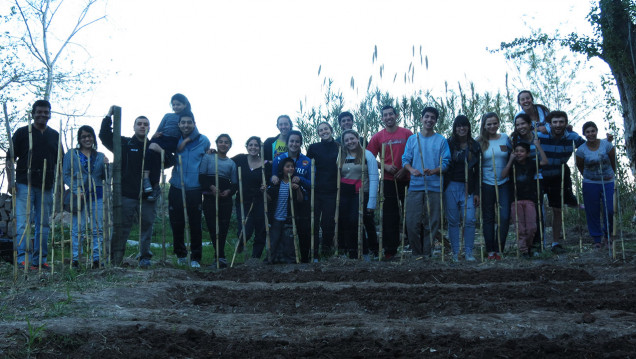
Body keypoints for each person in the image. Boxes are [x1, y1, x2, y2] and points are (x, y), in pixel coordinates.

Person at [100, 108, 173, 267]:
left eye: (145, 124)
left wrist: (160, 151)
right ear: (133, 127)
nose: (142, 126)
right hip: (127, 193)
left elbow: (169, 161)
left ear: (149, 128)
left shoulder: (154, 146)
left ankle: (144, 257)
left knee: (147, 225)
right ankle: (115, 258)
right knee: (122, 227)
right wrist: (108, 115)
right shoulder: (125, 144)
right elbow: (104, 136)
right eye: (139, 124)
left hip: (149, 195)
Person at [10, 100, 62, 269]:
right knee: (23, 222)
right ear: (33, 114)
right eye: (39, 112)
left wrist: (59, 187)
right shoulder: (22, 133)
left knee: (43, 224)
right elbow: (10, 159)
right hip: (24, 183)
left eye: (46, 112)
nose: (42, 115)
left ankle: (40, 259)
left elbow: (60, 163)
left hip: (46, 186)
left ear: (50, 114)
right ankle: (22, 260)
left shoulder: (54, 136)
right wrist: (11, 182)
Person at [402, 107, 450, 258]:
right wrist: (411, 170)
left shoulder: (441, 140)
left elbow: (446, 163)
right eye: (426, 117)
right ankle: (416, 253)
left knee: (433, 222)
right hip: (415, 186)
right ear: (421, 118)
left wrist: (435, 170)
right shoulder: (413, 139)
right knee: (412, 221)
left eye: (433, 118)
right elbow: (405, 160)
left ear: (436, 121)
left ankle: (427, 253)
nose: (429, 120)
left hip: (434, 187)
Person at [367, 105, 413, 259]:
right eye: (385, 115)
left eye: (390, 114)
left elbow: (414, 154)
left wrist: (405, 170)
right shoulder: (378, 137)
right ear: (382, 118)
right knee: (389, 216)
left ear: (396, 115)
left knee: (411, 213)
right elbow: (369, 158)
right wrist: (385, 166)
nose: (388, 117)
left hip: (407, 179)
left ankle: (414, 246)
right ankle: (390, 250)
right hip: (388, 180)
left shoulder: (407, 134)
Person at [537, 111, 586, 253]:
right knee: (537, 210)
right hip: (539, 175)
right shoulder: (540, 136)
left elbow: (586, 147)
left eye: (561, 122)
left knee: (557, 209)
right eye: (555, 122)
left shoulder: (573, 137)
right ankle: (537, 244)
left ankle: (555, 243)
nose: (558, 125)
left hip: (558, 175)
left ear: (566, 123)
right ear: (549, 123)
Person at [168, 112, 210, 268]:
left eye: (189, 122)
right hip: (176, 186)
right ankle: (180, 254)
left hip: (195, 188)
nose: (186, 125)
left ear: (194, 123)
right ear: (178, 124)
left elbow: (206, 156)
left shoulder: (203, 140)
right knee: (176, 221)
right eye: (183, 122)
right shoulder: (174, 140)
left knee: (195, 222)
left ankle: (195, 257)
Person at [63, 125, 107, 268]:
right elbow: (66, 174)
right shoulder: (72, 154)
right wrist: (76, 190)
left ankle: (96, 258)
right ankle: (76, 258)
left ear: (93, 137)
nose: (87, 139)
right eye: (83, 137)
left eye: (89, 136)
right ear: (79, 139)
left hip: (97, 194)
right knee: (78, 227)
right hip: (78, 196)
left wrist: (107, 166)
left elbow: (105, 177)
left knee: (97, 227)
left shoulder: (100, 156)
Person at [145, 94, 198, 200]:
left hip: (172, 141)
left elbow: (195, 133)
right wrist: (154, 135)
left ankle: (150, 181)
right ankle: (153, 184)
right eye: (173, 105)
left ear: (185, 104)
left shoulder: (186, 117)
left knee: (153, 149)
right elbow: (159, 129)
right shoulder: (167, 115)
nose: (175, 107)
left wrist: (184, 142)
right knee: (151, 152)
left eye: (178, 104)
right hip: (161, 138)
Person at [502, 141, 549, 257]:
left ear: (527, 153)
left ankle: (529, 247)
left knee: (532, 227)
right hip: (515, 200)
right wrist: (510, 160)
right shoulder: (512, 165)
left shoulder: (531, 164)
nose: (519, 153)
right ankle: (523, 250)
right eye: (516, 151)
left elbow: (545, 161)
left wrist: (538, 146)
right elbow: (503, 175)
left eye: (522, 151)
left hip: (529, 200)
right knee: (520, 228)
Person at [271, 130, 312, 261]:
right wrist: (273, 178)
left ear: (301, 143)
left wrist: (300, 180)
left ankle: (305, 259)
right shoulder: (278, 159)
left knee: (303, 231)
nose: (294, 144)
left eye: (297, 141)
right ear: (287, 142)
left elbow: (312, 183)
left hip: (301, 201)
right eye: (292, 141)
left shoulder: (307, 161)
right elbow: (273, 176)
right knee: (282, 232)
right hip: (283, 202)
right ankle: (280, 258)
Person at [444, 115, 481, 261]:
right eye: (458, 126)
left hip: (468, 187)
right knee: (453, 220)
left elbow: (478, 171)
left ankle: (469, 252)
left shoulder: (475, 146)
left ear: (468, 127)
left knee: (470, 219)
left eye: (464, 125)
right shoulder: (448, 144)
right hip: (451, 185)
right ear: (455, 128)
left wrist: (477, 192)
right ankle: (455, 252)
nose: (461, 128)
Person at [338, 130, 379, 259]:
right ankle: (352, 252)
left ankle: (366, 251)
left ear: (357, 138)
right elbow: (339, 176)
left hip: (361, 194)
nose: (350, 142)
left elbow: (373, 178)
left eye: (352, 138)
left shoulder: (367, 155)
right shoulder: (341, 156)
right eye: (346, 140)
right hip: (345, 194)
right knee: (347, 223)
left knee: (357, 221)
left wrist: (372, 201)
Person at [477, 112, 512, 260]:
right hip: (487, 183)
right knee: (489, 218)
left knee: (504, 217)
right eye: (489, 124)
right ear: (484, 125)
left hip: (504, 183)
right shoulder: (478, 141)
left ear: (499, 123)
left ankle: (500, 248)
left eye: (494, 123)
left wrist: (508, 167)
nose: (492, 126)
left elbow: (514, 155)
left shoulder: (505, 138)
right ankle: (490, 250)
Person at [575, 121, 616, 248]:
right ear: (584, 134)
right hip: (590, 183)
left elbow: (614, 162)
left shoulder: (607, 145)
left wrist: (612, 177)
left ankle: (608, 235)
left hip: (608, 181)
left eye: (593, 131)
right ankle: (597, 238)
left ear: (596, 131)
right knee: (592, 210)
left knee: (610, 209)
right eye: (587, 132)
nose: (591, 134)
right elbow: (580, 166)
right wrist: (589, 177)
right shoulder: (581, 150)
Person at [200, 134, 238, 268]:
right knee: (212, 227)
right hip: (210, 198)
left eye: (226, 142)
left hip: (225, 200)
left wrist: (228, 191)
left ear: (230, 145)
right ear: (216, 144)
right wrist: (211, 187)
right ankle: (219, 256)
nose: (223, 144)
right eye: (221, 142)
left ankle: (220, 258)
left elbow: (234, 184)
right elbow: (202, 177)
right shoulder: (208, 157)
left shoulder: (231, 163)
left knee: (223, 228)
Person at [232, 136, 270, 259]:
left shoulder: (265, 164)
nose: (253, 147)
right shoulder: (240, 159)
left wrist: (265, 188)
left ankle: (255, 257)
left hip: (260, 200)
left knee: (261, 229)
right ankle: (241, 243)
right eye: (251, 145)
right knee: (245, 229)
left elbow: (269, 182)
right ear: (247, 146)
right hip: (243, 200)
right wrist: (213, 152)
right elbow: (224, 161)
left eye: (256, 145)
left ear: (260, 148)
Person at [306, 122, 339, 257]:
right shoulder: (313, 148)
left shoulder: (339, 147)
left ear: (331, 130)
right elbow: (307, 167)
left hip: (332, 190)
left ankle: (326, 249)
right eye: (320, 130)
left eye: (326, 129)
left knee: (328, 222)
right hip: (316, 190)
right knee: (313, 221)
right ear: (318, 133)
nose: (324, 131)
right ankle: (312, 251)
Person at [265, 157, 304, 264]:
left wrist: (298, 189)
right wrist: (264, 192)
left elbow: (300, 200)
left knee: (289, 243)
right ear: (282, 169)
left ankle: (291, 262)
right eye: (287, 166)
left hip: (289, 218)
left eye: (292, 166)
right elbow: (269, 199)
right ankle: (269, 261)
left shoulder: (296, 183)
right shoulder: (276, 183)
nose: (290, 168)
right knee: (273, 241)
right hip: (276, 218)